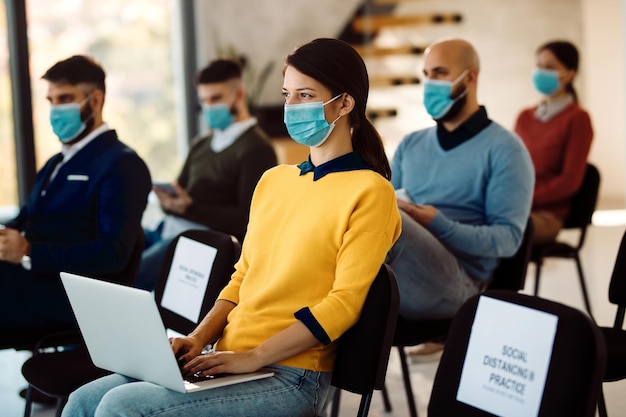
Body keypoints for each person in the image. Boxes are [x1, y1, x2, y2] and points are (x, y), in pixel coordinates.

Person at [61, 38, 402, 417]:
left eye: (306, 95)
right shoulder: (275, 180)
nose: (292, 107)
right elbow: (243, 275)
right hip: (225, 357)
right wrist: (198, 337)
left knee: (121, 408)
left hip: (292, 374)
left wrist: (253, 356)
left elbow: (344, 304)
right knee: (83, 400)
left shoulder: (371, 191)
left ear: (344, 102)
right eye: (288, 95)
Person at [0, 55, 151, 333]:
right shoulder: (55, 163)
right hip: (31, 284)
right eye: (51, 100)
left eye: (65, 98)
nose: (55, 109)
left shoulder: (122, 164)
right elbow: (25, 221)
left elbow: (113, 253)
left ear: (94, 101)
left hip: (66, 301)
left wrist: (29, 251)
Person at [388, 38, 534, 319]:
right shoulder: (410, 145)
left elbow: (508, 240)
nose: (430, 82)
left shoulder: (506, 149)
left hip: (464, 282)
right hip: (404, 271)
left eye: (440, 73)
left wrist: (437, 223)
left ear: (470, 78)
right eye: (426, 74)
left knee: (388, 219)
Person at [134, 59, 277, 291]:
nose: (209, 107)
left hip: (199, 244)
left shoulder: (256, 149)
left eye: (215, 99)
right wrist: (169, 201)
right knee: (115, 257)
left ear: (238, 95)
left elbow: (248, 221)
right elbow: (179, 196)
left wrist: (189, 208)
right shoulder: (201, 144)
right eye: (204, 101)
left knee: (133, 275)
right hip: (168, 229)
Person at [515, 40, 593, 244]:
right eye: (539, 66)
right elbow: (511, 165)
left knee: (504, 229)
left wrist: (525, 197)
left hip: (547, 215)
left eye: (549, 67)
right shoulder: (524, 117)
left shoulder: (578, 119)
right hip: (514, 207)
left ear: (570, 73)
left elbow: (569, 182)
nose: (541, 72)